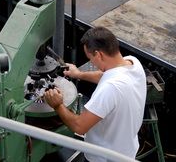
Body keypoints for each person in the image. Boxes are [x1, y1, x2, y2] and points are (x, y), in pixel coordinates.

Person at [43, 27, 147, 162]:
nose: (91, 62)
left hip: (104, 158)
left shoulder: (110, 89)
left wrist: (57, 105)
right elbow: (104, 76)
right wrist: (78, 74)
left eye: (90, 58)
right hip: (127, 151)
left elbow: (79, 127)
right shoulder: (132, 63)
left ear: (98, 54)